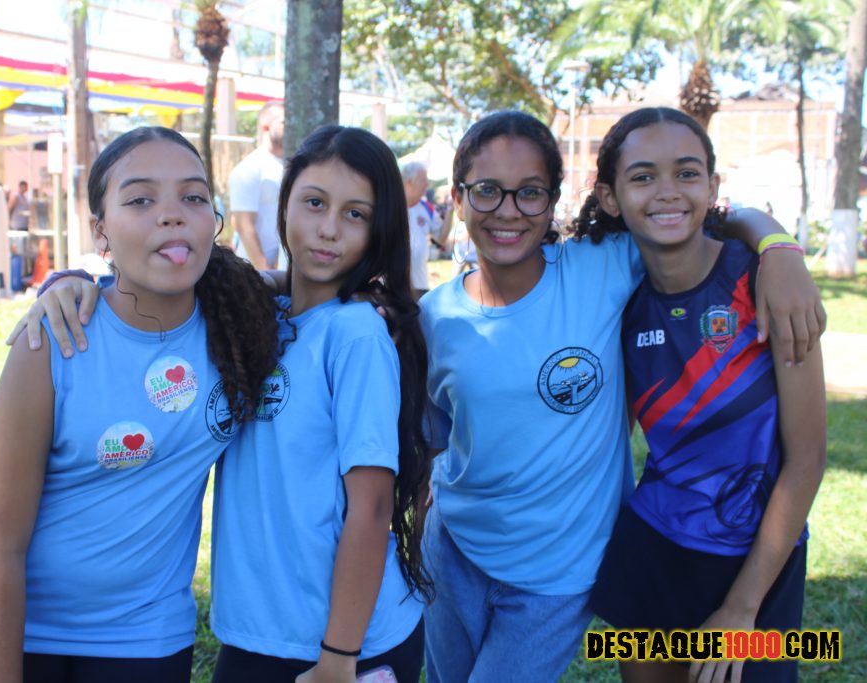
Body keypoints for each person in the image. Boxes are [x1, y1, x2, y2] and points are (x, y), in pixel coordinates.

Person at [417, 110, 825, 683]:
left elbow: (807, 458)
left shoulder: (735, 281)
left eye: (529, 192)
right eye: (487, 190)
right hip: (603, 549)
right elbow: (438, 433)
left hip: (631, 568)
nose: (508, 210)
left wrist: (780, 248)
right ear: (458, 199)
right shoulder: (441, 315)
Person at [0, 127, 280, 683]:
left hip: (143, 632)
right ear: (100, 230)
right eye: (141, 199)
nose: (171, 215)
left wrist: (366, 291)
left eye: (193, 197)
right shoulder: (55, 338)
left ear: (213, 221)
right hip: (19, 631)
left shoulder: (239, 320)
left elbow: (309, 284)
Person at [577, 107, 826, 683]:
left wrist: (742, 606)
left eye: (686, 173)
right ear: (610, 197)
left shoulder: (766, 283)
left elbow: (808, 458)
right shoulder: (617, 298)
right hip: (653, 549)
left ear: (712, 187)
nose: (667, 191)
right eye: (643, 176)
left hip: (761, 564)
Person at [210, 126, 431, 683]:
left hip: (346, 645)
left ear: (378, 230)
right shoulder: (259, 318)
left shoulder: (356, 334)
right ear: (284, 204)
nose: (329, 229)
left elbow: (372, 507)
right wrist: (72, 284)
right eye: (314, 203)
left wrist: (338, 658)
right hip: (255, 631)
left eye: (355, 214)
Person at [230, 100, 286, 270]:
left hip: (285, 266)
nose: (290, 127)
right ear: (265, 126)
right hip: (254, 271)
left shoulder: (291, 165)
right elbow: (243, 225)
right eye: (284, 122)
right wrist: (264, 272)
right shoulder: (250, 168)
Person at [402, 161, 432, 298]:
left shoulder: (427, 207)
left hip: (420, 284)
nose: (427, 184)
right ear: (409, 182)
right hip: (391, 286)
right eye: (423, 180)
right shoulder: (390, 205)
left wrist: (450, 212)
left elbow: (441, 239)